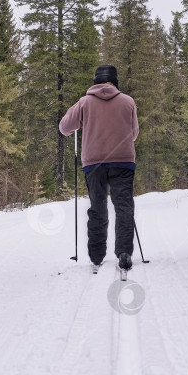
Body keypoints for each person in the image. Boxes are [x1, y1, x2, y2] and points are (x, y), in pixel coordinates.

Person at [59, 65, 139, 272]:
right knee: (123, 206)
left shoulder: (84, 102)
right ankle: (124, 252)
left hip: (93, 163)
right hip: (123, 160)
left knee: (98, 207)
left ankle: (96, 256)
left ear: (96, 81)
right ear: (115, 81)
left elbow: (64, 127)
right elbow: (134, 133)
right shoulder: (128, 101)